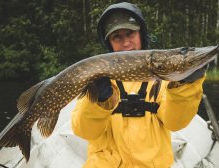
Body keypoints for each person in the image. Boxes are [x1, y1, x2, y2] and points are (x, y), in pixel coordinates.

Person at [71, 2, 206, 167]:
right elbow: (85, 131)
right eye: (117, 37)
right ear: (109, 43)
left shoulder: (165, 80)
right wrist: (98, 102)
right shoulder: (96, 80)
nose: (126, 43)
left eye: (130, 33)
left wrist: (185, 86)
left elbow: (175, 123)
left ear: (141, 34)